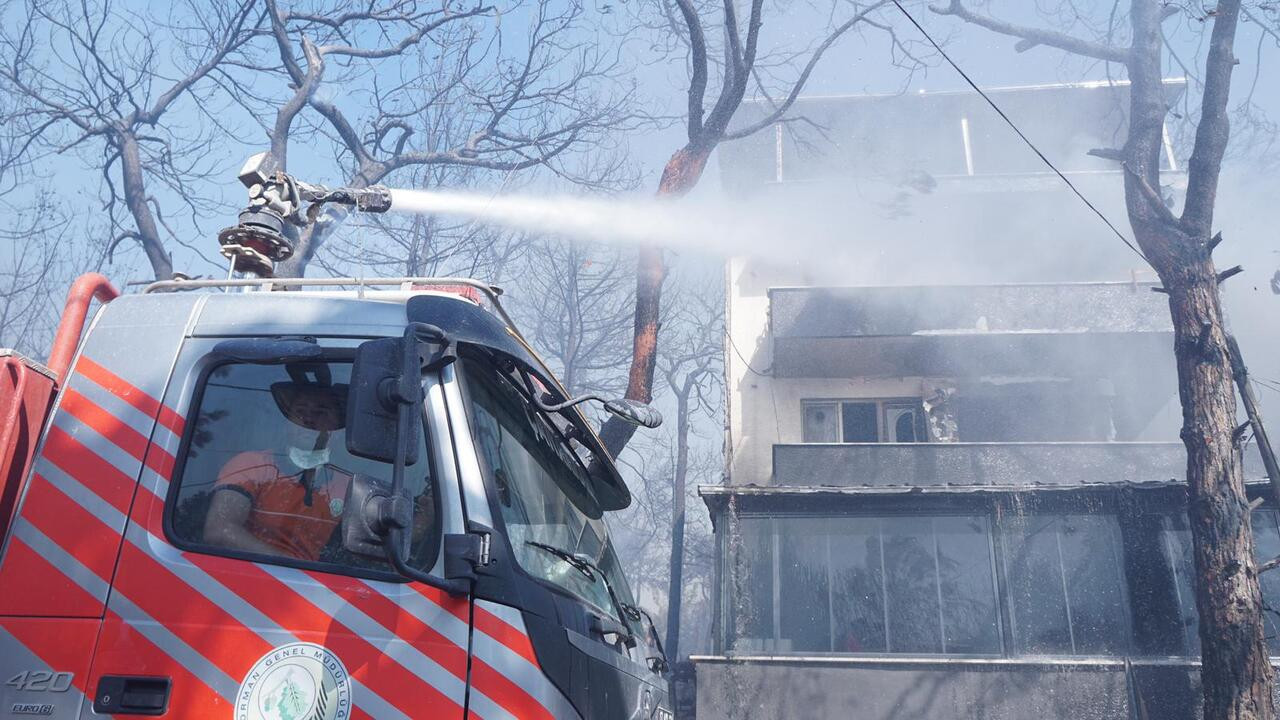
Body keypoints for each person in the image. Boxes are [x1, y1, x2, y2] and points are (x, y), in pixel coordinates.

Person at [203, 376, 354, 562]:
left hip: (312, 587)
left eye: (321, 413)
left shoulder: (349, 489)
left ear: (338, 431)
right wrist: (292, 568)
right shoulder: (252, 466)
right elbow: (219, 530)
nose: (308, 420)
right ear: (286, 425)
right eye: (300, 412)